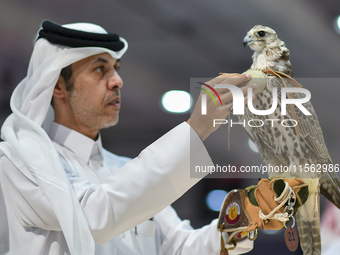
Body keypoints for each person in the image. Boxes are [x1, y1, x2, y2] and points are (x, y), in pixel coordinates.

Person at [0, 20, 255, 255]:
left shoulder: (123, 169)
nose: (117, 81)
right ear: (57, 86)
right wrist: (197, 127)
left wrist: (250, 211)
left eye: (116, 69)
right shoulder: (18, 162)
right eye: (100, 69)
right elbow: (95, 217)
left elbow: (182, 247)